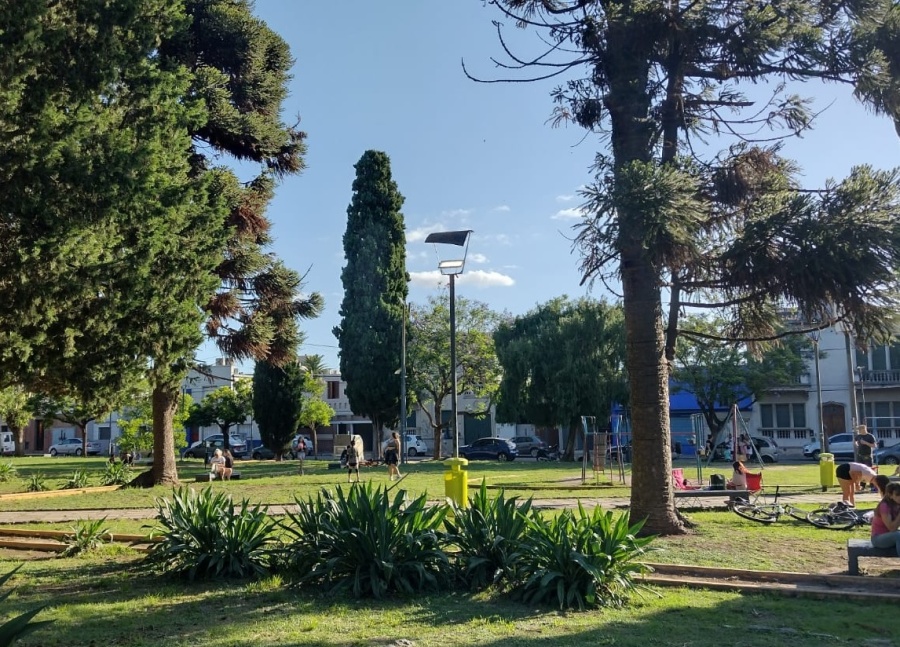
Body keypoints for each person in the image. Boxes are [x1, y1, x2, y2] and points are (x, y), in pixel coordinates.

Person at [870, 482, 900, 557]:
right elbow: (892, 528)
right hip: (878, 539)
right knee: (898, 535)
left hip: (892, 536)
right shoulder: (885, 506)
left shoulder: (897, 505)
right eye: (897, 495)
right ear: (890, 495)